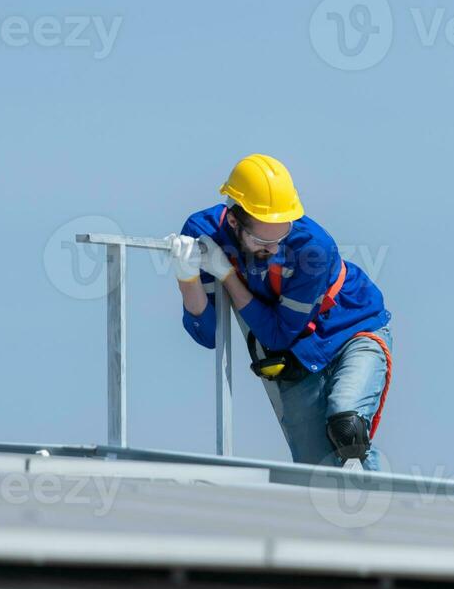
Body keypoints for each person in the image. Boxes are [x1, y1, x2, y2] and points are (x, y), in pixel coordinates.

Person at [167, 154, 393, 471]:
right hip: (296, 356)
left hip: (352, 328)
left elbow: (277, 333)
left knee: (347, 426)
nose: (274, 248)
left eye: (282, 234)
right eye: (262, 240)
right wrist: (186, 277)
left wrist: (228, 276)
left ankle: (387, 505)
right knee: (317, 471)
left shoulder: (313, 247)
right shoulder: (202, 232)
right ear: (233, 221)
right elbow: (208, 334)